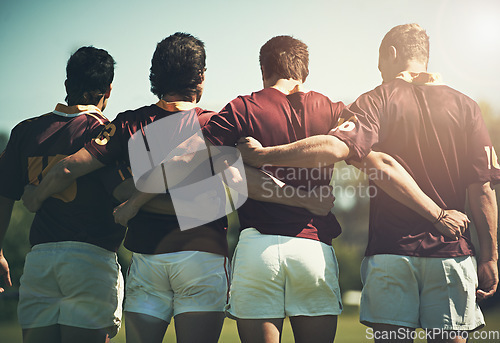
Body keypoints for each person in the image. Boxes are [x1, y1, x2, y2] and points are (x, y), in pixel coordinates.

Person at [109, 34, 471, 343]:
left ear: (264, 70)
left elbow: (187, 160)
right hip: (313, 249)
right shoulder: (333, 110)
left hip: (257, 249)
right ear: (305, 71)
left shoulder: (242, 108)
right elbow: (383, 165)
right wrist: (436, 213)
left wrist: (134, 202)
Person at [21, 32, 333, 343]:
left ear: (155, 74)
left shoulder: (128, 122)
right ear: (200, 77)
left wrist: (36, 196)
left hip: (146, 255)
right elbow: (239, 182)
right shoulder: (214, 121)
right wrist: (303, 199)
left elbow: (77, 170)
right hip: (202, 253)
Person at [237, 24, 499, 343]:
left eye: (379, 65)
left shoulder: (377, 99)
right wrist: (489, 256)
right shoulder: (467, 106)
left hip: (392, 251)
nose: (380, 73)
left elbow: (337, 147)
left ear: (391, 54)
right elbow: (483, 189)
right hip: (451, 251)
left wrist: (264, 154)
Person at [0, 46, 125, 343]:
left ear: (67, 84)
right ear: (108, 89)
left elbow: (3, 196)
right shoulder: (105, 131)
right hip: (89, 258)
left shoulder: (25, 130)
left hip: (39, 261)